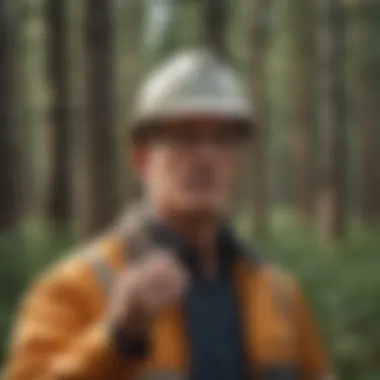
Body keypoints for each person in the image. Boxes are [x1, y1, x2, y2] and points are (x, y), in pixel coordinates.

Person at [5, 49, 333, 380]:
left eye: (223, 140)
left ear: (238, 160)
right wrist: (116, 336)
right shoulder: (74, 287)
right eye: (185, 137)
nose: (207, 157)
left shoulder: (278, 292)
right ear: (141, 158)